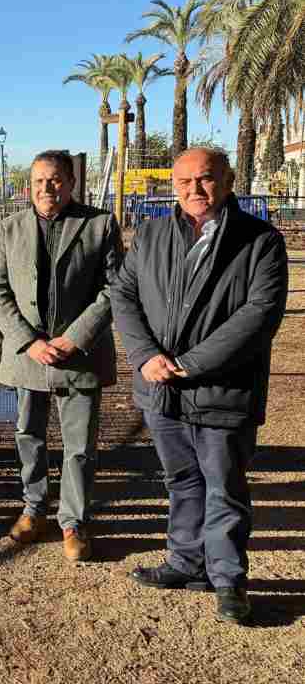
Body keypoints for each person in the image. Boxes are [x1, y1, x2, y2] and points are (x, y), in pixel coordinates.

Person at [112, 147, 287, 625]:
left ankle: (229, 579)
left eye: (206, 179)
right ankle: (185, 562)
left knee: (225, 488)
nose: (194, 189)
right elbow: (124, 294)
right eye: (185, 181)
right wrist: (146, 356)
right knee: (181, 481)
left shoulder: (260, 241)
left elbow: (259, 316)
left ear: (228, 180)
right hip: (160, 389)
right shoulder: (151, 234)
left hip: (222, 390)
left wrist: (187, 364)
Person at [0, 151, 123, 561]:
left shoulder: (99, 226)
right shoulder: (8, 228)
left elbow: (115, 286)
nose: (47, 188)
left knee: (79, 445)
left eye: (56, 180)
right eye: (39, 181)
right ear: (28, 185)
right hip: (28, 355)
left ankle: (73, 523)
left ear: (71, 183)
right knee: (28, 436)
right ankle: (33, 509)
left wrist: (75, 337)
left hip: (78, 355)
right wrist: (28, 341)